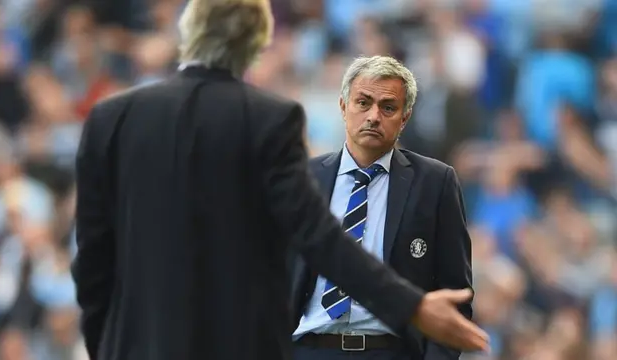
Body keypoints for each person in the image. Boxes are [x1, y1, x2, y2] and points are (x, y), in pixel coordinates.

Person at [71, 1, 489, 360]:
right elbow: (319, 236)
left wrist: (103, 347)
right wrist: (412, 306)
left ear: (188, 32)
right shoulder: (270, 118)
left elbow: (92, 262)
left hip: (136, 345)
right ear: (256, 42)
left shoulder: (110, 119)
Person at [290, 56, 473, 360]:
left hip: (391, 351)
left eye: (388, 107)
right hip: (308, 348)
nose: (374, 116)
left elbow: (454, 294)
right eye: (363, 102)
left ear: (405, 118)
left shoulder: (435, 182)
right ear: (342, 106)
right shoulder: (302, 178)